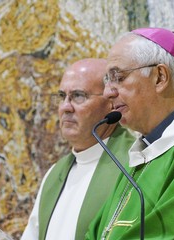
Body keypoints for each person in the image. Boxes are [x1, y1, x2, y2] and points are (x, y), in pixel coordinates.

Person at [85, 28, 174, 240]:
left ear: (160, 77)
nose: (108, 92)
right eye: (108, 80)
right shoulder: (142, 155)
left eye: (118, 77)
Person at [21, 58, 135, 240]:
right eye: (61, 96)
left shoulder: (134, 164)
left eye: (78, 96)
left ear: (110, 103)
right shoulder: (55, 174)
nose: (65, 107)